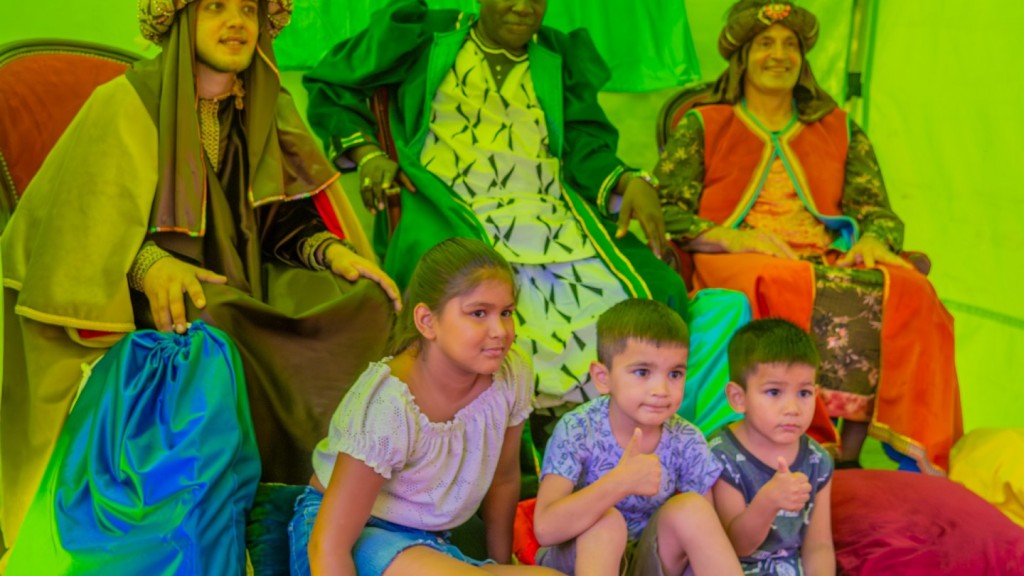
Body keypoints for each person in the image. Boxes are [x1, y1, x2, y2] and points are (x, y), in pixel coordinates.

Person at [0, 0, 400, 549]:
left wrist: (330, 251)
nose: (236, 22)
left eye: (248, 10)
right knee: (211, 324)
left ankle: (327, 508)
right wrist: (150, 264)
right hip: (140, 305)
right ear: (180, 18)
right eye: (215, 6)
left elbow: (278, 217)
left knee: (364, 304)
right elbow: (85, 230)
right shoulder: (123, 104)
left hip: (242, 289)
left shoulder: (265, 105)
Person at [302, 0, 748, 417]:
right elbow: (334, 84)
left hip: (551, 209)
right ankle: (513, 432)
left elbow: (585, 146)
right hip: (450, 205)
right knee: (477, 304)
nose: (523, 6)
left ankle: (614, 425)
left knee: (652, 288)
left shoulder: (558, 55)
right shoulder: (425, 35)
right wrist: (368, 155)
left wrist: (631, 181)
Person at [654, 0, 961, 472]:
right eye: (765, 44)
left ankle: (885, 458)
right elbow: (662, 208)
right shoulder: (705, 124)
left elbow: (875, 209)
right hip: (737, 255)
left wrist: (874, 239)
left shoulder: (839, 129)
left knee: (913, 290)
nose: (779, 55)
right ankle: (796, 443)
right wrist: (729, 238)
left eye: (790, 45)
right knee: (784, 282)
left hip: (823, 254)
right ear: (742, 57)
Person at [288, 238, 560, 576]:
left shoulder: (511, 374)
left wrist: (501, 564)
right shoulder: (389, 405)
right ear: (427, 321)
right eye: (478, 313)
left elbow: (503, 479)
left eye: (506, 313)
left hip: (427, 540)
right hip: (348, 537)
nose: (500, 331)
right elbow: (328, 545)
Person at [532, 298, 743, 576]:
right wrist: (620, 481)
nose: (661, 389)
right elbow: (545, 528)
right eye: (642, 372)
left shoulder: (686, 438)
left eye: (675, 374)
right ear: (603, 378)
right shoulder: (578, 429)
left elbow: (703, 535)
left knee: (692, 508)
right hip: (579, 557)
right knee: (607, 523)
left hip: (646, 560)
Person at [708, 318, 834, 575]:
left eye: (804, 393)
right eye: (774, 392)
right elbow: (737, 547)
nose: (793, 409)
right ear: (738, 398)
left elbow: (818, 546)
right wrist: (768, 501)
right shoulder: (721, 454)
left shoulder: (817, 460)